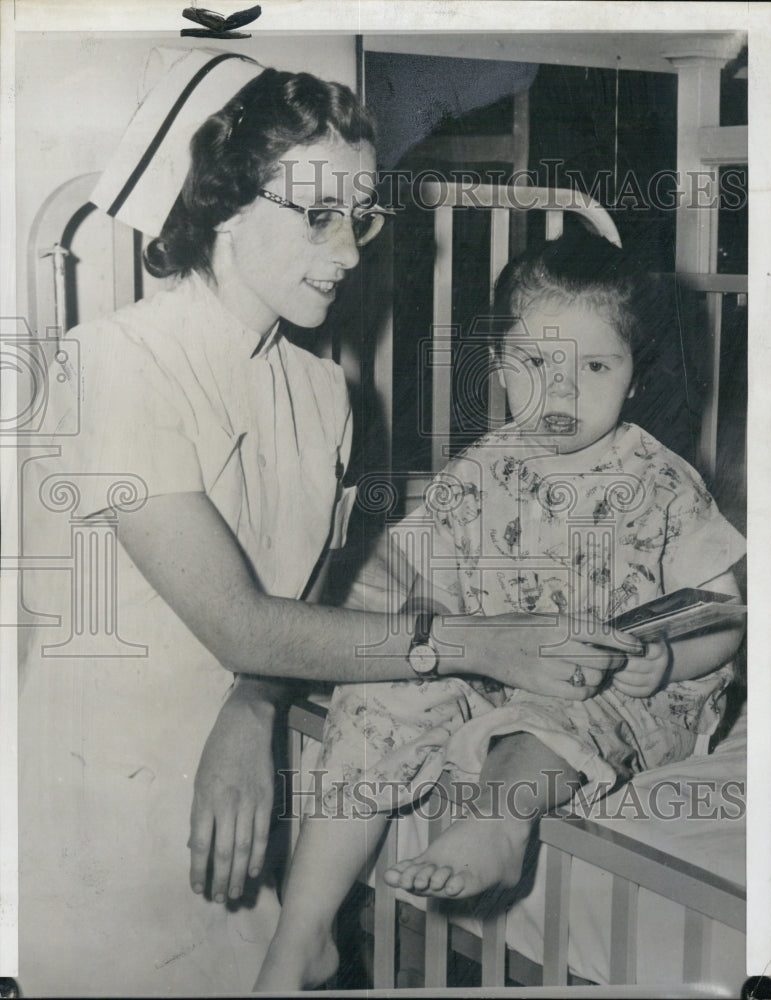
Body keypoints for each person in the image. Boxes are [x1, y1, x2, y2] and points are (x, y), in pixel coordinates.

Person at [18, 50, 627, 996]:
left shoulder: (323, 392)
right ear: (220, 201)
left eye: (359, 216)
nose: (348, 251)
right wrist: (486, 643)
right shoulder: (115, 363)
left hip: (237, 786)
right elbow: (237, 621)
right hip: (93, 793)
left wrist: (252, 705)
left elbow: (279, 620)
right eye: (316, 216)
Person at [254, 229, 746, 991]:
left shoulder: (660, 482)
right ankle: (304, 929)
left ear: (633, 376)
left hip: (618, 688)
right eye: (538, 363)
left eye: (593, 366)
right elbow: (416, 583)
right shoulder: (479, 471)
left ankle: (496, 821)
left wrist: (666, 661)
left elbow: (720, 613)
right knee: (378, 692)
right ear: (502, 364)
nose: (563, 391)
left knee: (552, 721)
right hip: (492, 664)